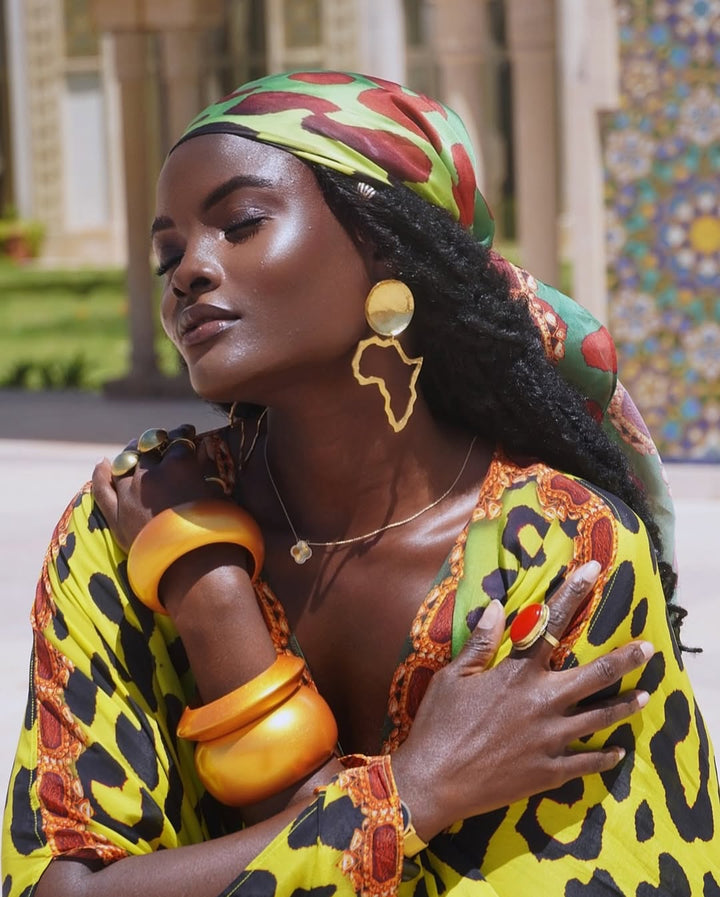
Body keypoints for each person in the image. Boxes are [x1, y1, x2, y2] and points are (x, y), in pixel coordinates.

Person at [3, 70, 718, 897]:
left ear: (384, 243)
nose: (188, 270)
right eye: (170, 251)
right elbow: (62, 889)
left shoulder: (564, 554)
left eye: (239, 224)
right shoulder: (132, 521)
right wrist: (414, 792)